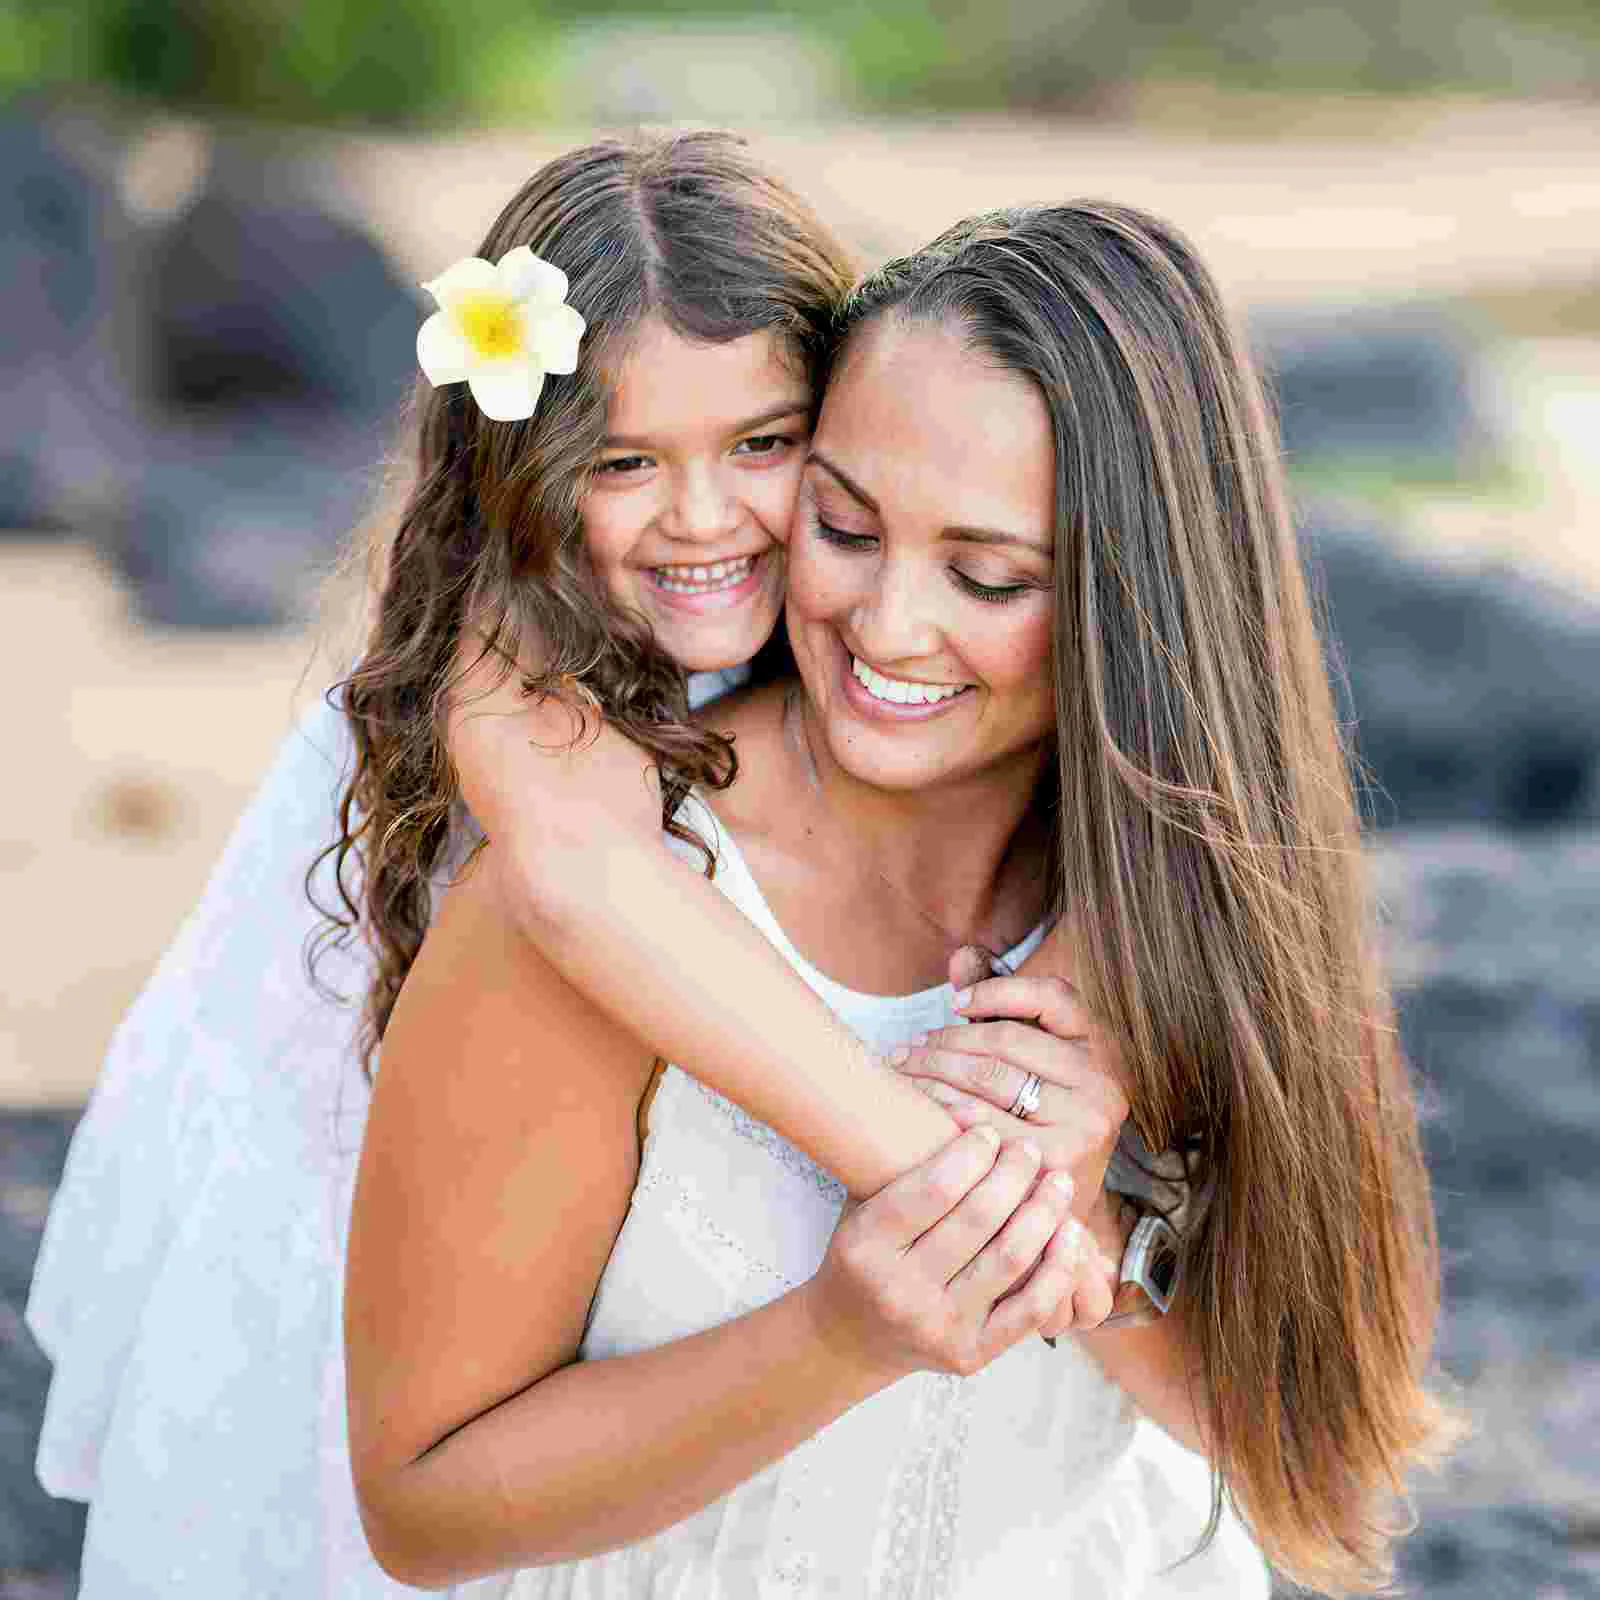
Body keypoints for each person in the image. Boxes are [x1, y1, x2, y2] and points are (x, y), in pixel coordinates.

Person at [344, 202, 1462, 1597]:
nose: (888, 628)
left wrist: (1095, 1234)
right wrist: (835, 1337)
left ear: (1141, 605)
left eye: (988, 575)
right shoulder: (601, 902)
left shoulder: (1201, 910)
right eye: (844, 525)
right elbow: (421, 1511)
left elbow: (1328, 1481)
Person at [32, 131, 1077, 1598]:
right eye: (625, 462)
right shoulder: (513, 671)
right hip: (394, 1266)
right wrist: (946, 1185)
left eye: (764, 446)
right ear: (526, 470)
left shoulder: (861, 647)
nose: (704, 520)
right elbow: (593, 894)